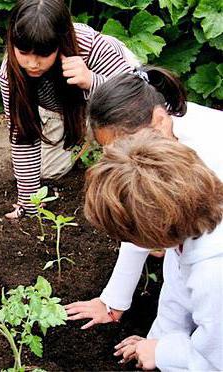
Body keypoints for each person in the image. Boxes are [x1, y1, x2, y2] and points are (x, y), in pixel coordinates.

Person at [65, 66, 223, 328]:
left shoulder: (208, 158)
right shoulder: (162, 139)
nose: (119, 158)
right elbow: (141, 217)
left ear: (160, 120)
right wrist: (114, 301)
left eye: (123, 145)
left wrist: (166, 346)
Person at [83, 129, 223, 370]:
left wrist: (162, 353)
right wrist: (157, 342)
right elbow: (177, 292)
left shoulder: (213, 275)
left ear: (154, 234)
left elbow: (214, 362)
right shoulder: (190, 228)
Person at [0, 0, 137, 218]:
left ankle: (95, 132)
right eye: (24, 52)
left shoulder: (92, 46)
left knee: (124, 151)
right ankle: (82, 134)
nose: (32, 64)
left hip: (115, 87)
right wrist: (28, 200)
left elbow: (135, 96)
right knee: (45, 172)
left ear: (60, 42)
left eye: (43, 54)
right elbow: (23, 135)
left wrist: (91, 80)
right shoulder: (11, 73)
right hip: (64, 107)